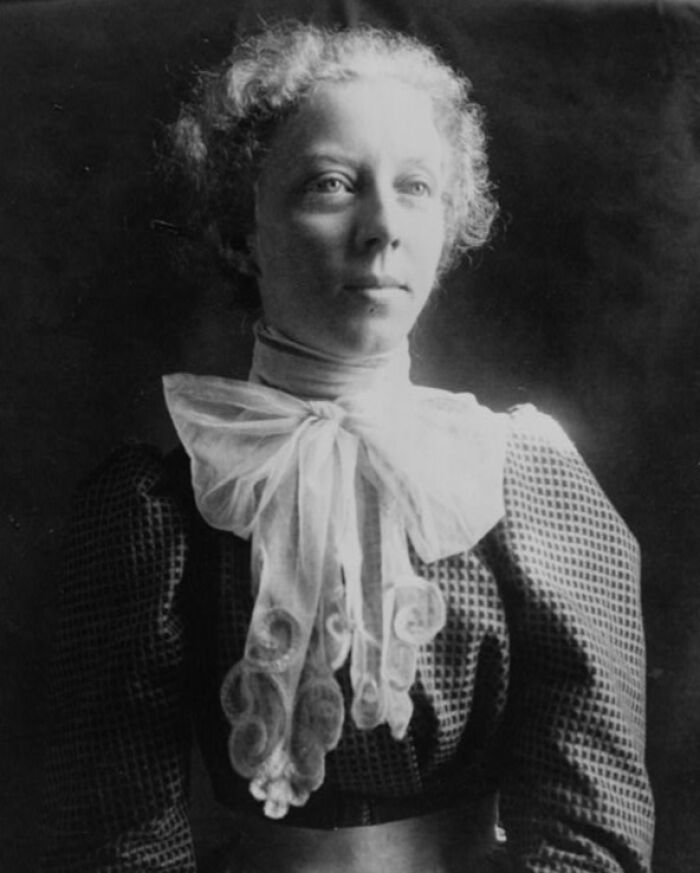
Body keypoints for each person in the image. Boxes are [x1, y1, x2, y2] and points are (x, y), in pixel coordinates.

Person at [40, 22, 654, 873]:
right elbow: (120, 838)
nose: (382, 227)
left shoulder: (523, 482)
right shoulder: (164, 508)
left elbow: (591, 828)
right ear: (241, 230)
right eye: (331, 185)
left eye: (415, 187)